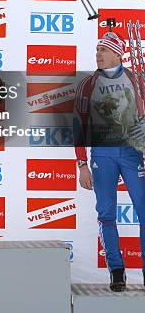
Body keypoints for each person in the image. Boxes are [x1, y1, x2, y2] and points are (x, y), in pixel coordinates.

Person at [75, 31, 145, 292]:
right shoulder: (89, 84)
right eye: (96, 50)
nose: (98, 55)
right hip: (102, 154)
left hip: (132, 154)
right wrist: (81, 163)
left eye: (103, 50)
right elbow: (79, 124)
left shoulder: (136, 79)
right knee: (106, 214)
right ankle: (116, 271)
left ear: (117, 53)